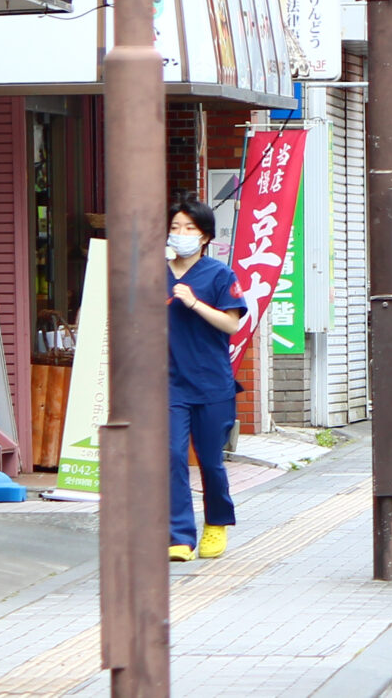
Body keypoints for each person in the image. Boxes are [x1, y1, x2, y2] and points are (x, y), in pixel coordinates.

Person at [165, 198, 245, 563]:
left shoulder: (219, 275)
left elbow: (232, 324)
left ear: (205, 237)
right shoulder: (153, 273)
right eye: (176, 227)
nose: (181, 235)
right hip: (168, 383)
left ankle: (216, 520)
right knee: (172, 456)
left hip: (212, 383)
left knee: (211, 460)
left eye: (190, 229)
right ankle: (179, 534)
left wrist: (195, 303)